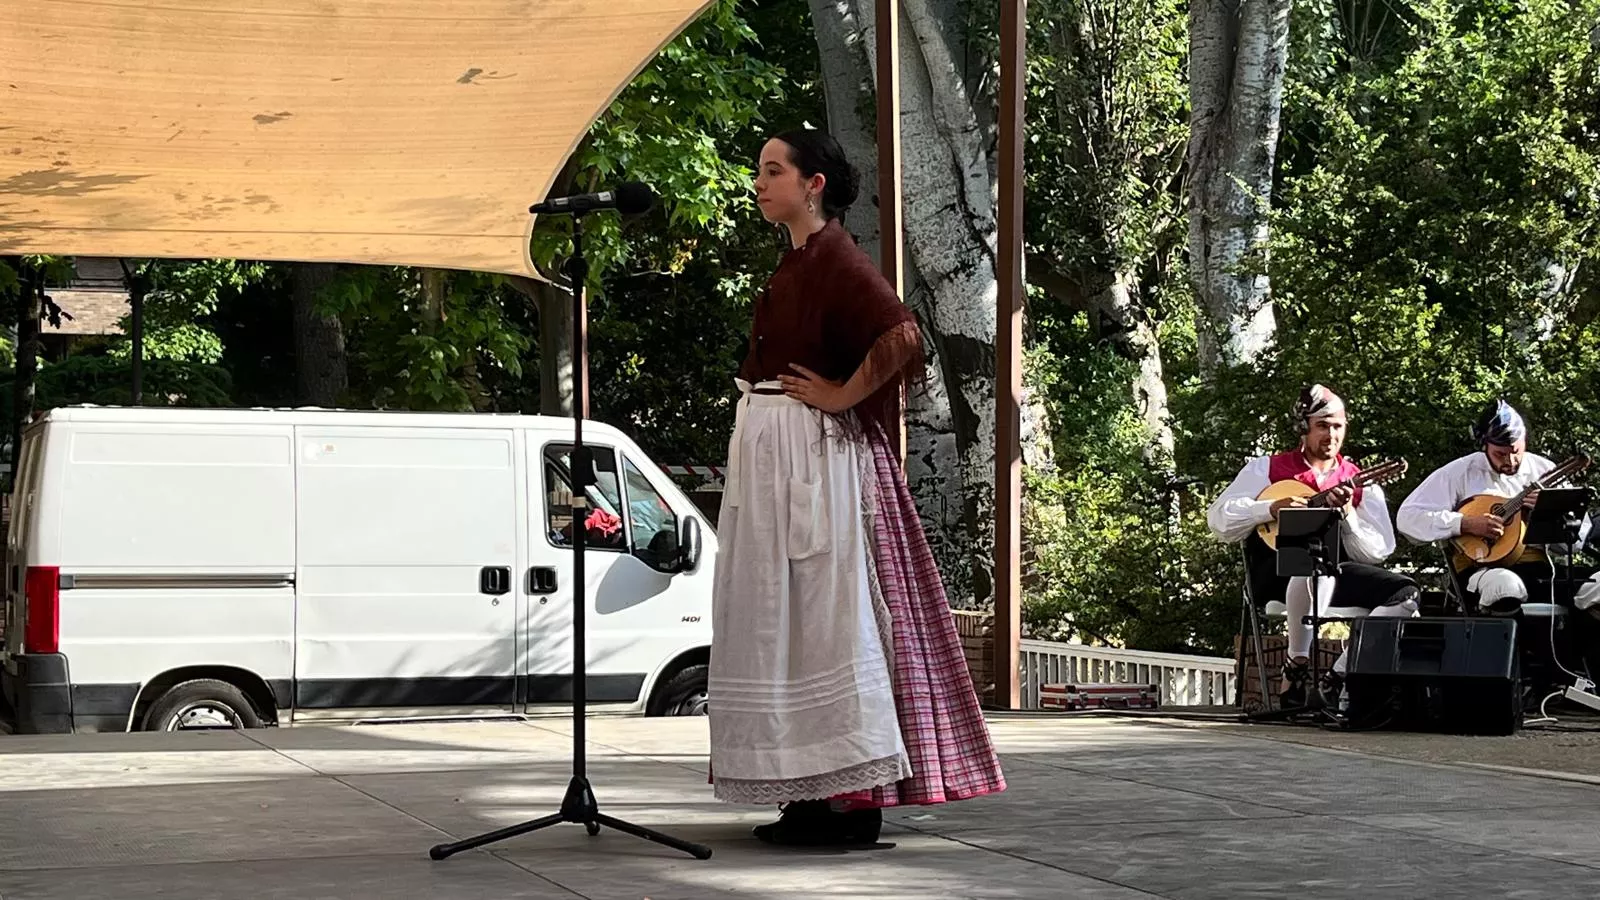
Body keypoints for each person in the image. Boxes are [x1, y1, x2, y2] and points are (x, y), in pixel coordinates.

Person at [708, 126, 1005, 846]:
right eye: (759, 172)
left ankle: (853, 801)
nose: (760, 183)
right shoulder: (799, 262)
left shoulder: (835, 256)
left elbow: (901, 336)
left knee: (829, 619)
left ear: (813, 184)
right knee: (787, 627)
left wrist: (841, 397)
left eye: (773, 171)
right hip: (779, 458)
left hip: (818, 464)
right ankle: (809, 795)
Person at [1208, 385, 1419, 708]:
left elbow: (1377, 552)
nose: (1331, 435)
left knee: (1405, 595)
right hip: (1274, 574)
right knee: (1306, 565)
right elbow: (1219, 521)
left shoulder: (1357, 480)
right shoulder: (1267, 470)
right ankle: (1297, 664)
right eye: (1323, 426)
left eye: (1338, 426)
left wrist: (1347, 515)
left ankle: (1338, 676)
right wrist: (1269, 509)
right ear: (1303, 428)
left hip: (1334, 573)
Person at [1397, 399, 1593, 615]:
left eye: (1516, 451)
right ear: (1484, 445)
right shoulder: (1461, 472)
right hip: (1481, 570)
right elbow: (1408, 517)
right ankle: (1516, 647)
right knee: (1504, 586)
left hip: (1542, 572)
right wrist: (1463, 524)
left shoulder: (1545, 471)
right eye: (1500, 454)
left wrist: (1548, 513)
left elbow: (1578, 539)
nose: (1510, 460)